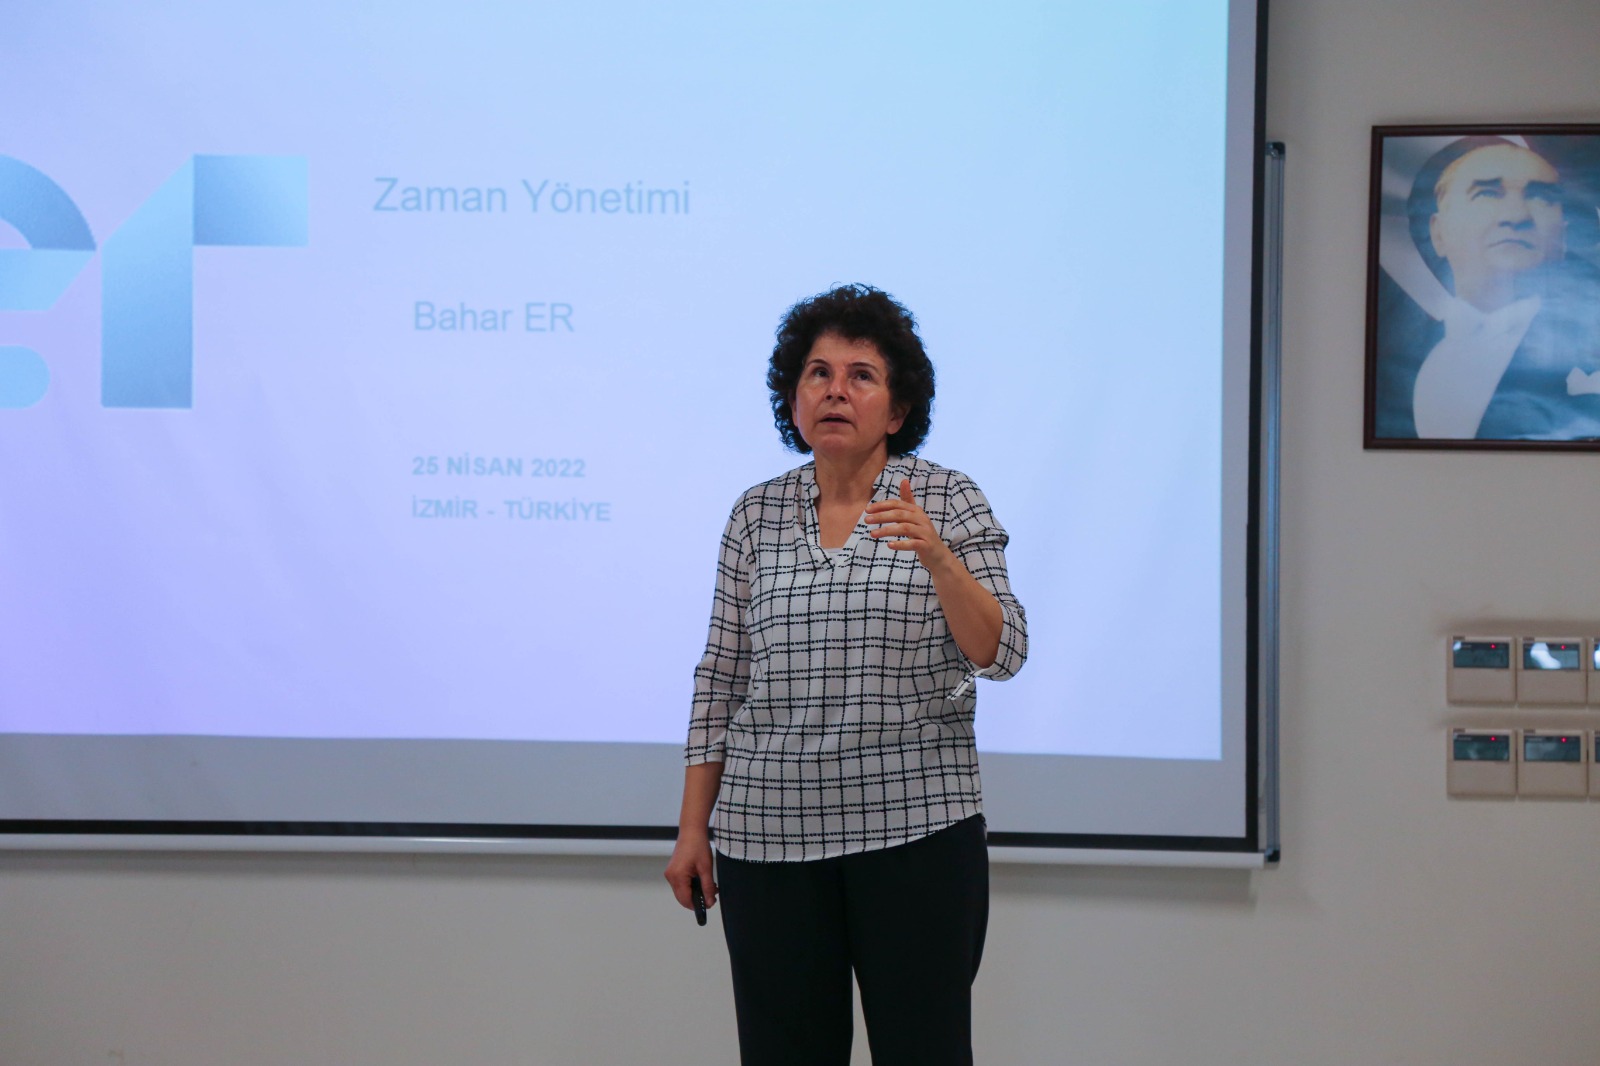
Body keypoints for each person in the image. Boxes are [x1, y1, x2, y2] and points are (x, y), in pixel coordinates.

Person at [664, 284, 1027, 1065]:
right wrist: (694, 829)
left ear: (898, 410)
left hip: (916, 836)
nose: (836, 390)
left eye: (861, 375)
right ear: (793, 401)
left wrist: (938, 558)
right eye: (818, 373)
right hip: (767, 840)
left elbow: (1002, 653)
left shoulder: (946, 498)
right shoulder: (756, 513)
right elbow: (720, 677)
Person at [1372, 136, 1600, 440]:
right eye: (1487, 194)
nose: (1516, 216)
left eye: (1541, 197)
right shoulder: (1395, 365)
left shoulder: (1589, 350)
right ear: (1438, 232)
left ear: (1563, 236)